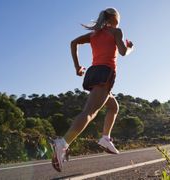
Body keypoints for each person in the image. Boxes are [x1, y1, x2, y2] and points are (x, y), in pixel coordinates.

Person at [51, 7, 134, 172]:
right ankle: (63, 143)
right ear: (114, 18)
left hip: (93, 72)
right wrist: (130, 47)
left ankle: (105, 138)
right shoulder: (116, 31)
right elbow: (123, 52)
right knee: (89, 112)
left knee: (113, 106)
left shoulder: (94, 35)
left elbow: (73, 43)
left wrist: (77, 68)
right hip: (105, 73)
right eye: (119, 17)